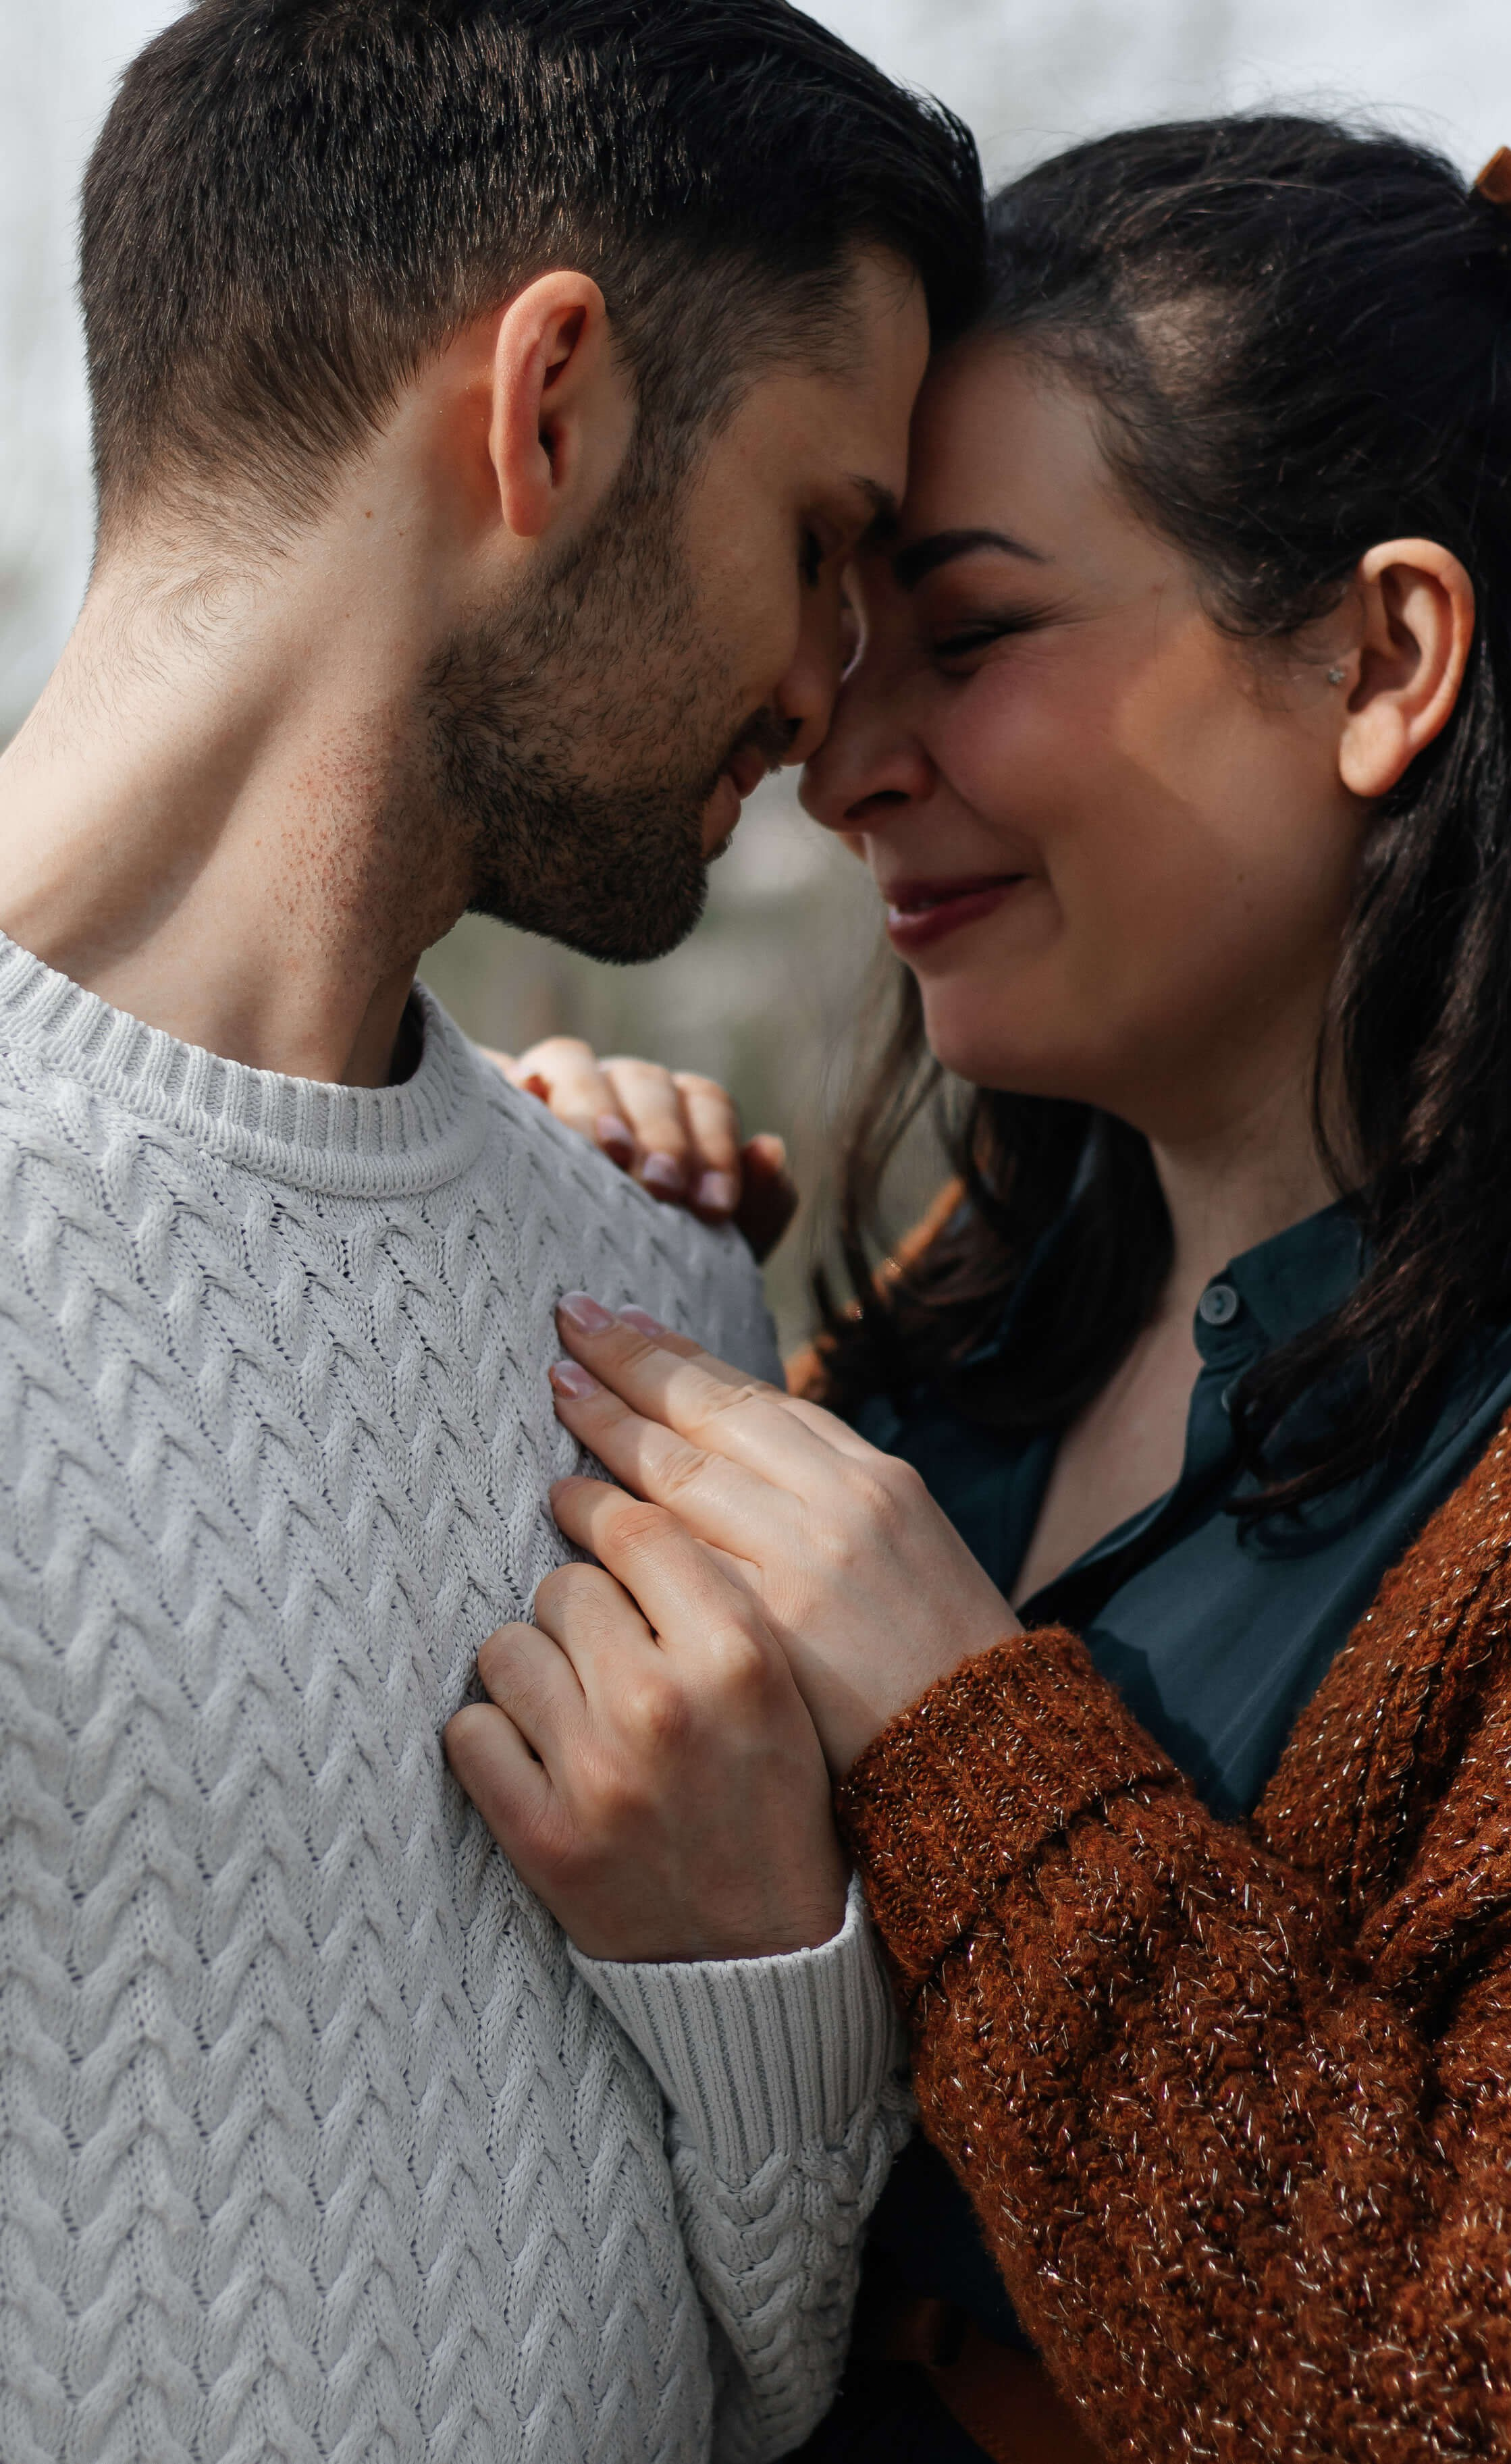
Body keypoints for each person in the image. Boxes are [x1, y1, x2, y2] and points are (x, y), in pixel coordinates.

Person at [454, 119, 1511, 2459]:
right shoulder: (987, 1276)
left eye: (974, 635)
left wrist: (961, 1742)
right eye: (844, 634)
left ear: (1385, 653)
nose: (843, 764)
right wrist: (551, 1228)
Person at [0, 3, 988, 2455]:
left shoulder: (653, 1300)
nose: (835, 693)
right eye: (824, 541)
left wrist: (778, 1995)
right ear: (549, 407)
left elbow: (767, 2377)